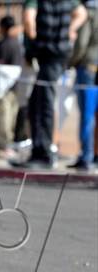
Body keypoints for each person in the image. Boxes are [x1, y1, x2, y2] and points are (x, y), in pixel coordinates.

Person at [18, 0, 87, 169]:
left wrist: (34, 38)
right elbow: (82, 13)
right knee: (39, 101)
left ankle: (44, 154)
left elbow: (28, 19)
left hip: (47, 52)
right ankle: (40, 151)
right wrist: (70, 29)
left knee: (43, 102)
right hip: (60, 52)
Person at [67, 0, 98, 171]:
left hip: (87, 68)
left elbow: (81, 44)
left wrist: (71, 62)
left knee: (87, 115)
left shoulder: (89, 14)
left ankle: (86, 156)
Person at [0, 15, 23, 158]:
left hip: (4, 88)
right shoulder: (17, 44)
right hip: (15, 88)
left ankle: (3, 145)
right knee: (9, 118)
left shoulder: (4, 44)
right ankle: (6, 145)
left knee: (3, 118)